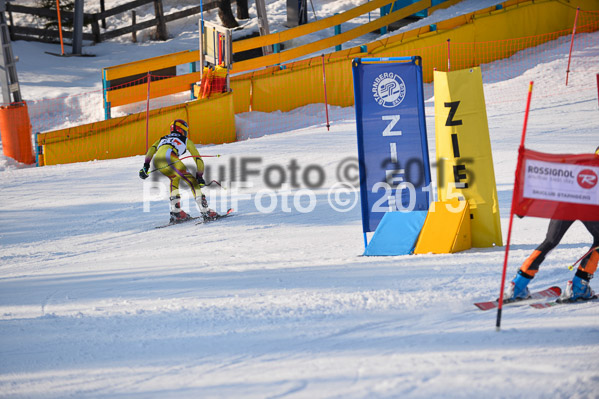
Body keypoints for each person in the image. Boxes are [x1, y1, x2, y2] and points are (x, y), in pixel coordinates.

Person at [505, 146, 599, 302]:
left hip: (564, 205)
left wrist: (525, 204)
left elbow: (549, 180)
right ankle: (578, 287)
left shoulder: (580, 165)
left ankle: (518, 286)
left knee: (550, 241)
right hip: (586, 207)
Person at [138, 119, 217, 223]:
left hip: (158, 161)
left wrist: (145, 166)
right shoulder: (185, 140)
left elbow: (151, 150)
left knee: (174, 178)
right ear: (182, 131)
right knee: (192, 181)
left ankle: (176, 212)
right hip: (170, 157)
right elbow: (198, 158)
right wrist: (199, 177)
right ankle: (205, 211)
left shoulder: (162, 139)